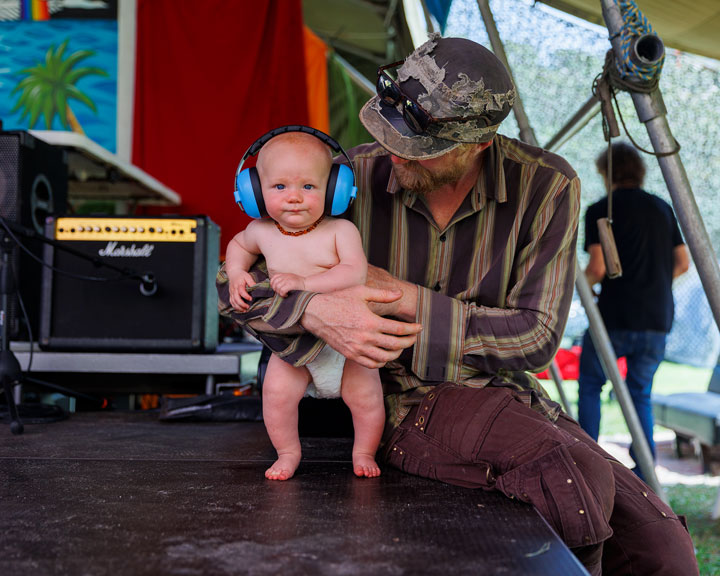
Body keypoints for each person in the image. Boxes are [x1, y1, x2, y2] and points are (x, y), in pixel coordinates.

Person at [218, 35, 698, 575]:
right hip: (396, 394)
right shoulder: (343, 180)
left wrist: (404, 298)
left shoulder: (546, 187)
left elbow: (535, 337)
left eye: (417, 148)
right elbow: (234, 284)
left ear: (478, 145)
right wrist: (311, 310)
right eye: (386, 133)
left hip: (507, 394)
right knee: (569, 481)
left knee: (664, 550)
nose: (393, 152)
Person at [225, 130, 394, 480]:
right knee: (275, 395)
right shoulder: (261, 231)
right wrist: (237, 272)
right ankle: (288, 452)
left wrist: (305, 284)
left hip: (345, 345)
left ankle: (363, 451)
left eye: (309, 187)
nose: (295, 198)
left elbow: (354, 272)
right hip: (293, 345)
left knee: (366, 401)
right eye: (280, 187)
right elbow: (238, 245)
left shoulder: (339, 231)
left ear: (334, 190)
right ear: (254, 192)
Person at [577, 142, 690, 477]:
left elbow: (597, 268)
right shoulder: (662, 208)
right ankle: (645, 469)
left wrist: (579, 287)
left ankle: (587, 463)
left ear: (605, 172)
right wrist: (651, 282)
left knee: (590, 385)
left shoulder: (601, 209)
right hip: (657, 317)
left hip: (615, 316)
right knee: (640, 391)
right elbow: (682, 263)